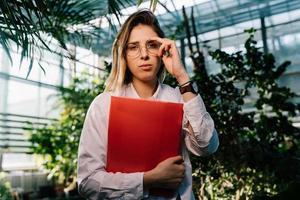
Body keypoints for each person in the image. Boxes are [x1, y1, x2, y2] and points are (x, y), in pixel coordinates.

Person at [77, 9, 219, 200]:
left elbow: (207, 146)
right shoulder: (104, 105)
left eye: (152, 45)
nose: (144, 55)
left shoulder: (179, 98)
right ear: (123, 54)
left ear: (162, 50)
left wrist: (182, 77)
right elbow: (87, 182)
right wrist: (148, 179)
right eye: (133, 47)